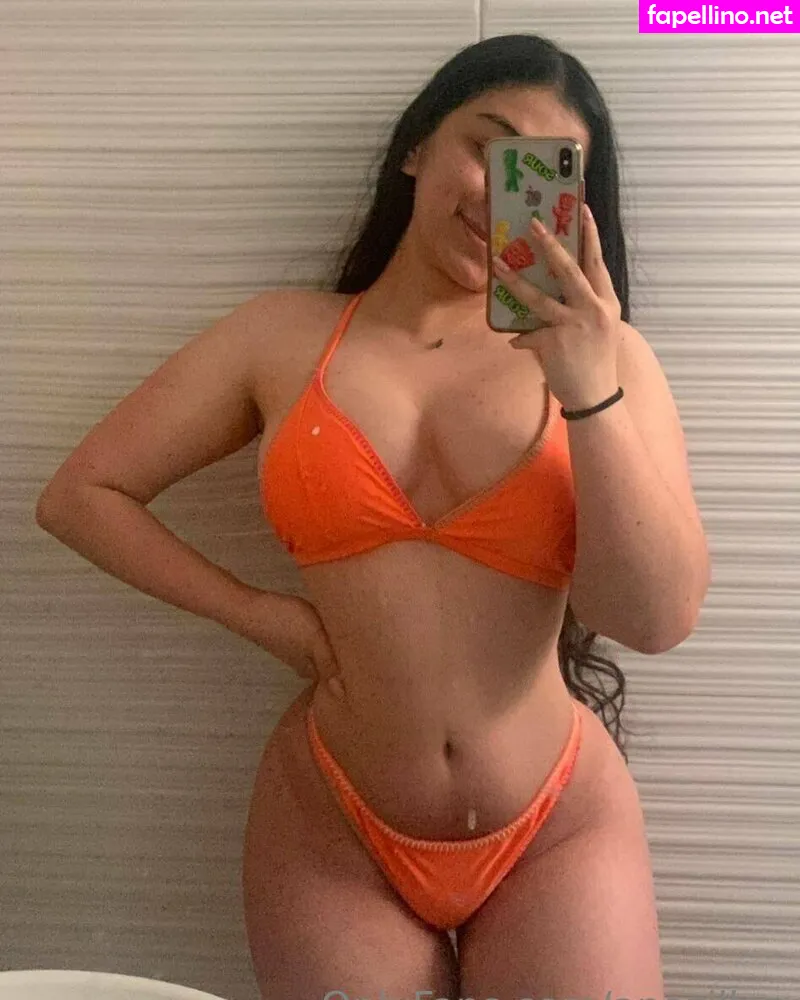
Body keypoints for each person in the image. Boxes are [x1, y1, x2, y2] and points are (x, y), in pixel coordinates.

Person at [36, 33, 710, 1000]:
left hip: (557, 826)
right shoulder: (279, 336)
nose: (500, 192)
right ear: (416, 148)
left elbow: (654, 618)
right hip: (333, 826)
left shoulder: (610, 362)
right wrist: (261, 616)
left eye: (539, 171)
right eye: (486, 146)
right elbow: (82, 496)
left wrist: (587, 390)